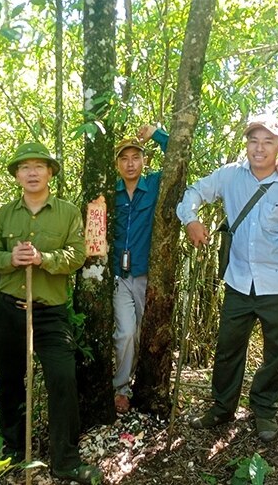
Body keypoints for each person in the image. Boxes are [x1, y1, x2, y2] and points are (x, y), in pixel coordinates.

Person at [176, 114, 278, 442]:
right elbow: (195, 191)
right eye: (254, 140)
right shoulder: (230, 177)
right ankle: (222, 407)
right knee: (228, 347)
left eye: (268, 142)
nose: (259, 148)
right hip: (238, 280)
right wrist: (190, 220)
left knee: (277, 352)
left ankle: (264, 410)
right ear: (246, 144)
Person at [0, 142, 102, 484]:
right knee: (8, 381)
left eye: (39, 166)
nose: (32, 173)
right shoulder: (6, 213)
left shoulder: (67, 212)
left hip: (50, 313)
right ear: (17, 175)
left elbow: (77, 256)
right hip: (8, 310)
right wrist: (10, 259)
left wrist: (42, 259)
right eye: (25, 167)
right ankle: (14, 451)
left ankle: (65, 460)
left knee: (63, 380)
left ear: (50, 172)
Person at [112, 124, 168, 414]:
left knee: (147, 335)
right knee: (126, 332)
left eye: (136, 157)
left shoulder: (154, 184)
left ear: (144, 160)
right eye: (124, 158)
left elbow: (178, 157)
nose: (130, 163)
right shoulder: (110, 192)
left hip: (148, 274)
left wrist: (156, 134)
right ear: (117, 163)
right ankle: (120, 388)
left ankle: (147, 386)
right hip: (120, 277)